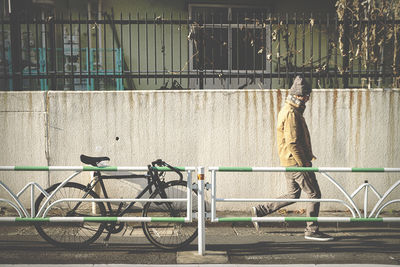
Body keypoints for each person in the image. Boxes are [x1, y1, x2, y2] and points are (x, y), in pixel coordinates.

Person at [251, 75, 334, 241]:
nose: (309, 99)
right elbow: (293, 142)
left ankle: (260, 210)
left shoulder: (292, 110)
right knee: (314, 194)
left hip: (289, 161)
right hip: (296, 162)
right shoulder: (291, 113)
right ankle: (311, 230)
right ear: (298, 96)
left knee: (292, 195)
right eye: (306, 95)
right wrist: (304, 162)